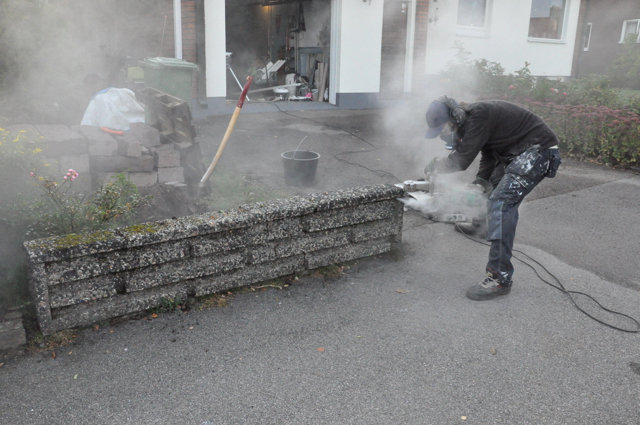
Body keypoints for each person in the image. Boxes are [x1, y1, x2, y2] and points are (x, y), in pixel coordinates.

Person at [424, 96, 562, 301]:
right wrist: (481, 179)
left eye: (444, 129)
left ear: (454, 117)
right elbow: (489, 153)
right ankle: (483, 226)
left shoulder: (479, 116)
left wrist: (437, 166)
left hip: (538, 152)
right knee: (489, 188)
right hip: (516, 153)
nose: (444, 136)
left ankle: (499, 278)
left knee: (501, 203)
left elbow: (461, 160)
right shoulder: (475, 119)